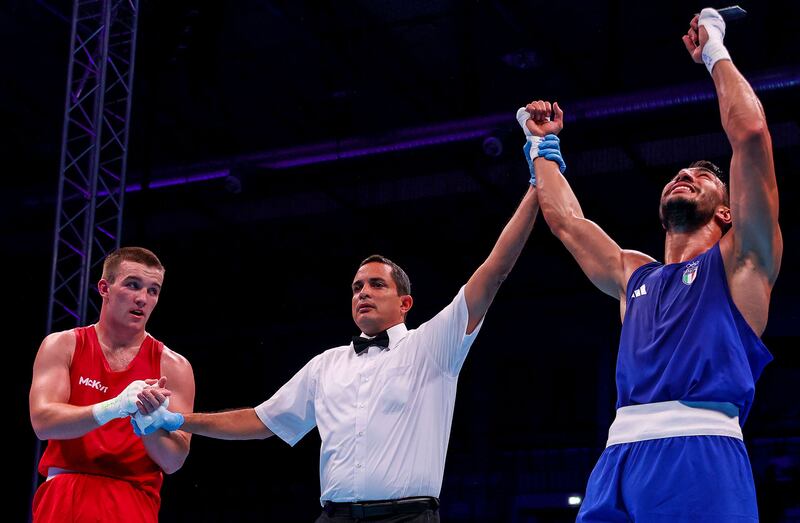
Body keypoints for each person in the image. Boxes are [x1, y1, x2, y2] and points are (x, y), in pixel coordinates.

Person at [142, 150, 560, 521]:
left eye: (377, 285)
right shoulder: (326, 365)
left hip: (408, 517)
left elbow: (494, 271)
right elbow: (259, 420)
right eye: (357, 287)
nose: (363, 293)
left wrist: (534, 185)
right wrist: (177, 420)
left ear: (405, 304)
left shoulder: (431, 347)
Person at [523, 8, 782, 521]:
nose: (685, 174)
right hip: (616, 460)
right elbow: (567, 223)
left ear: (728, 210)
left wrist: (715, 48)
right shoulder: (634, 276)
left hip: (701, 454)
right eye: (680, 173)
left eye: (703, 176)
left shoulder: (742, 261)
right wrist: (540, 146)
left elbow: (750, 134)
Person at [29, 247, 196, 522]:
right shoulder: (64, 345)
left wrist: (147, 421)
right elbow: (43, 422)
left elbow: (173, 461)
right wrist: (114, 406)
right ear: (105, 287)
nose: (142, 298)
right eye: (133, 285)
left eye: (153, 291)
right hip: (64, 495)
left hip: (132, 500)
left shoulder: (174, 367)